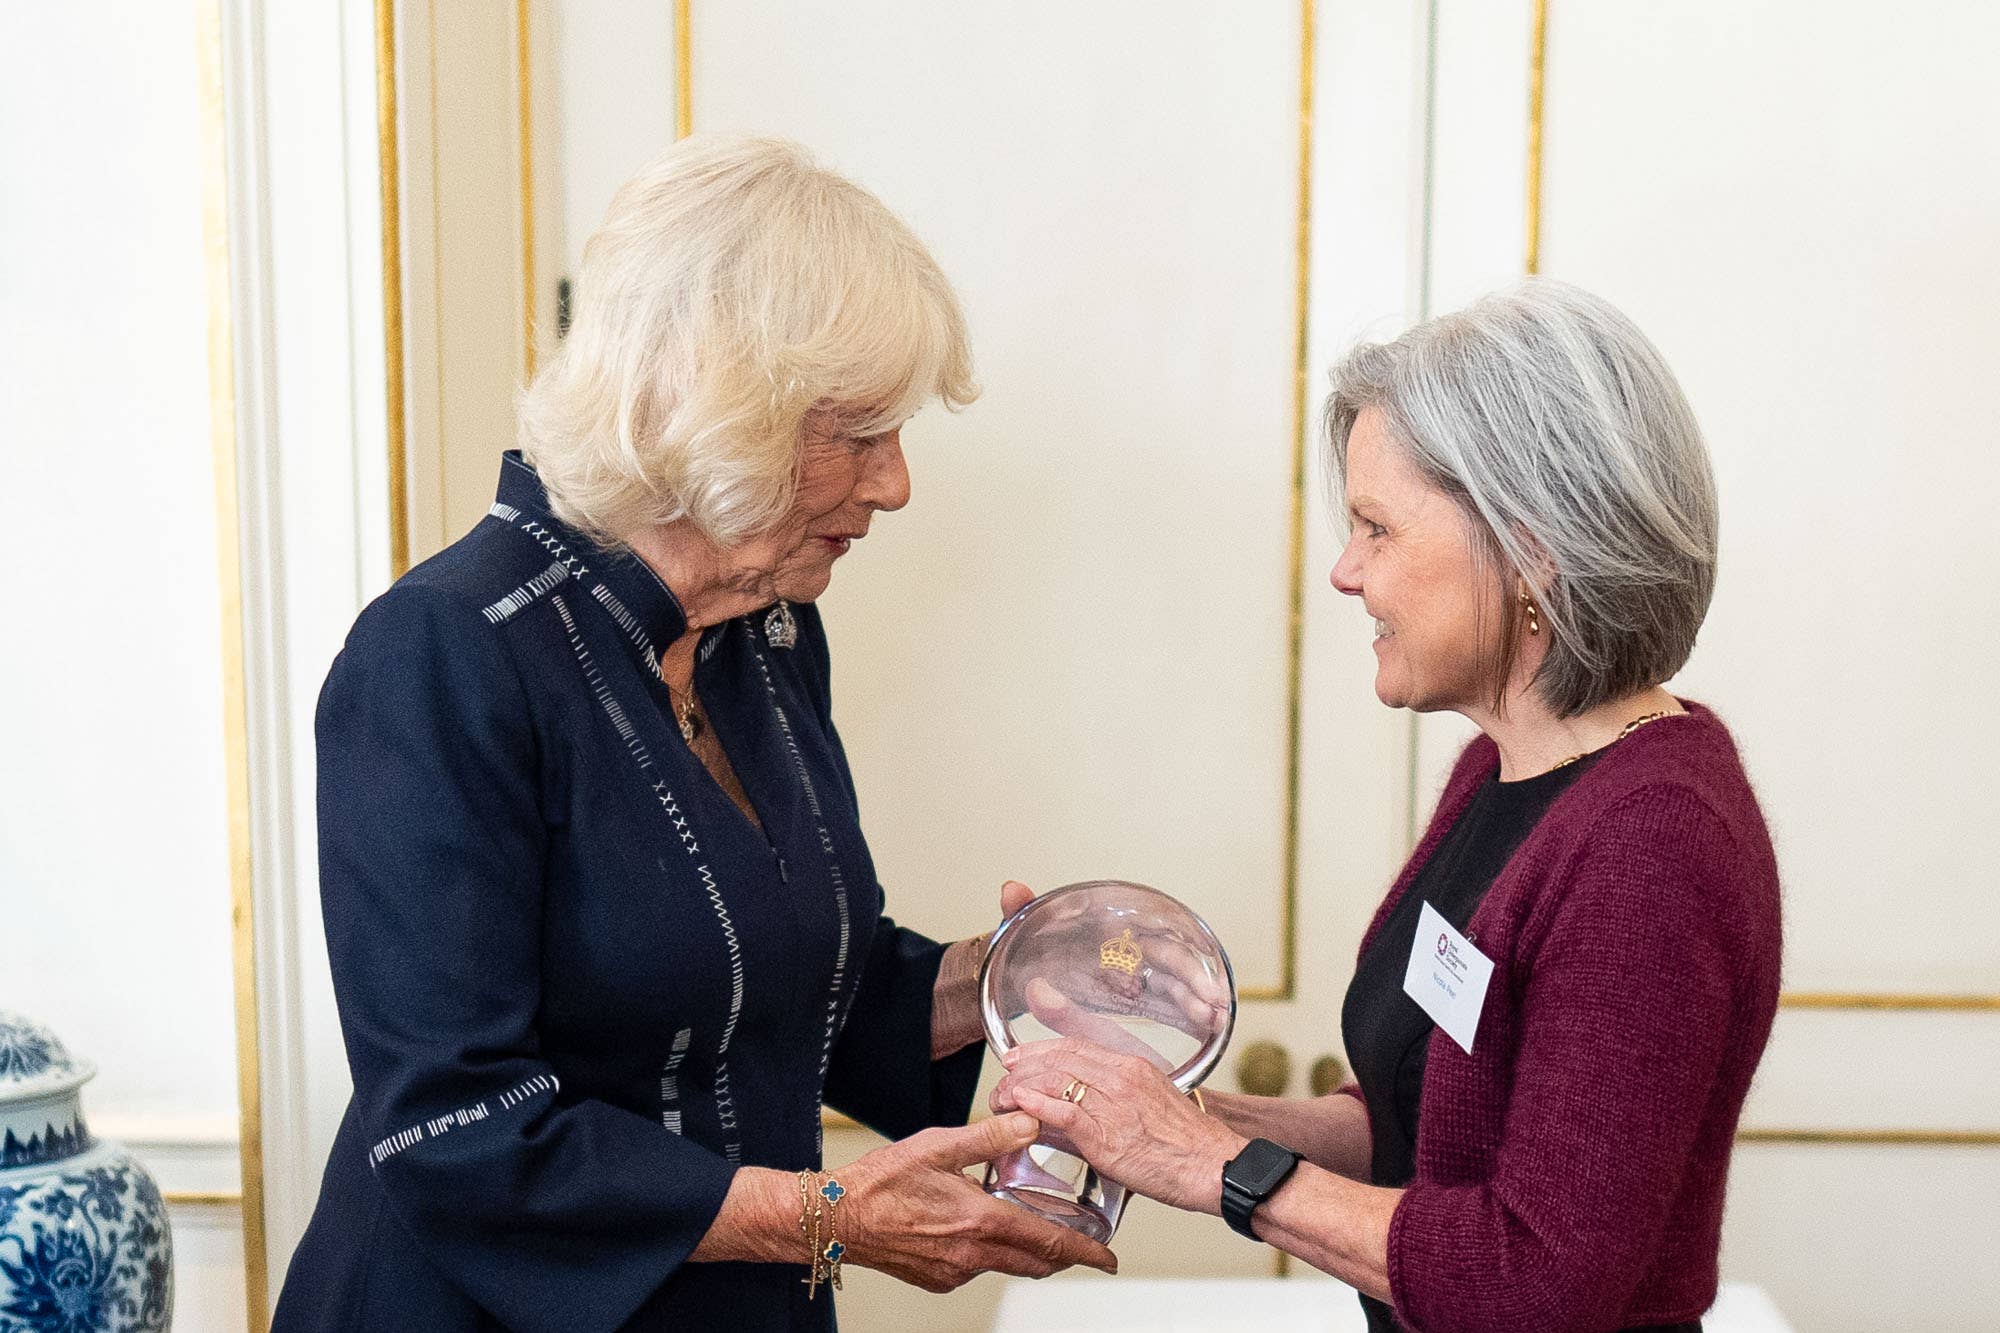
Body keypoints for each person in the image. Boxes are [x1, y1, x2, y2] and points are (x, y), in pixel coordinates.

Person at [272, 135, 1113, 1333]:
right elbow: (453, 1129)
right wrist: (827, 1212)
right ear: (718, 401)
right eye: (858, 431)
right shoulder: (444, 652)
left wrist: (1010, 973)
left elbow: (787, 984)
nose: (895, 485)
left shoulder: (762, 637)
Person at [994, 279, 1782, 1333]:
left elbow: (1538, 1276)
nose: (1343, 570)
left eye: (1375, 527)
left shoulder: (1651, 846)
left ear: (1529, 547)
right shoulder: (1502, 768)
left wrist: (1209, 1162)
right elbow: (1423, 1120)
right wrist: (1160, 1108)